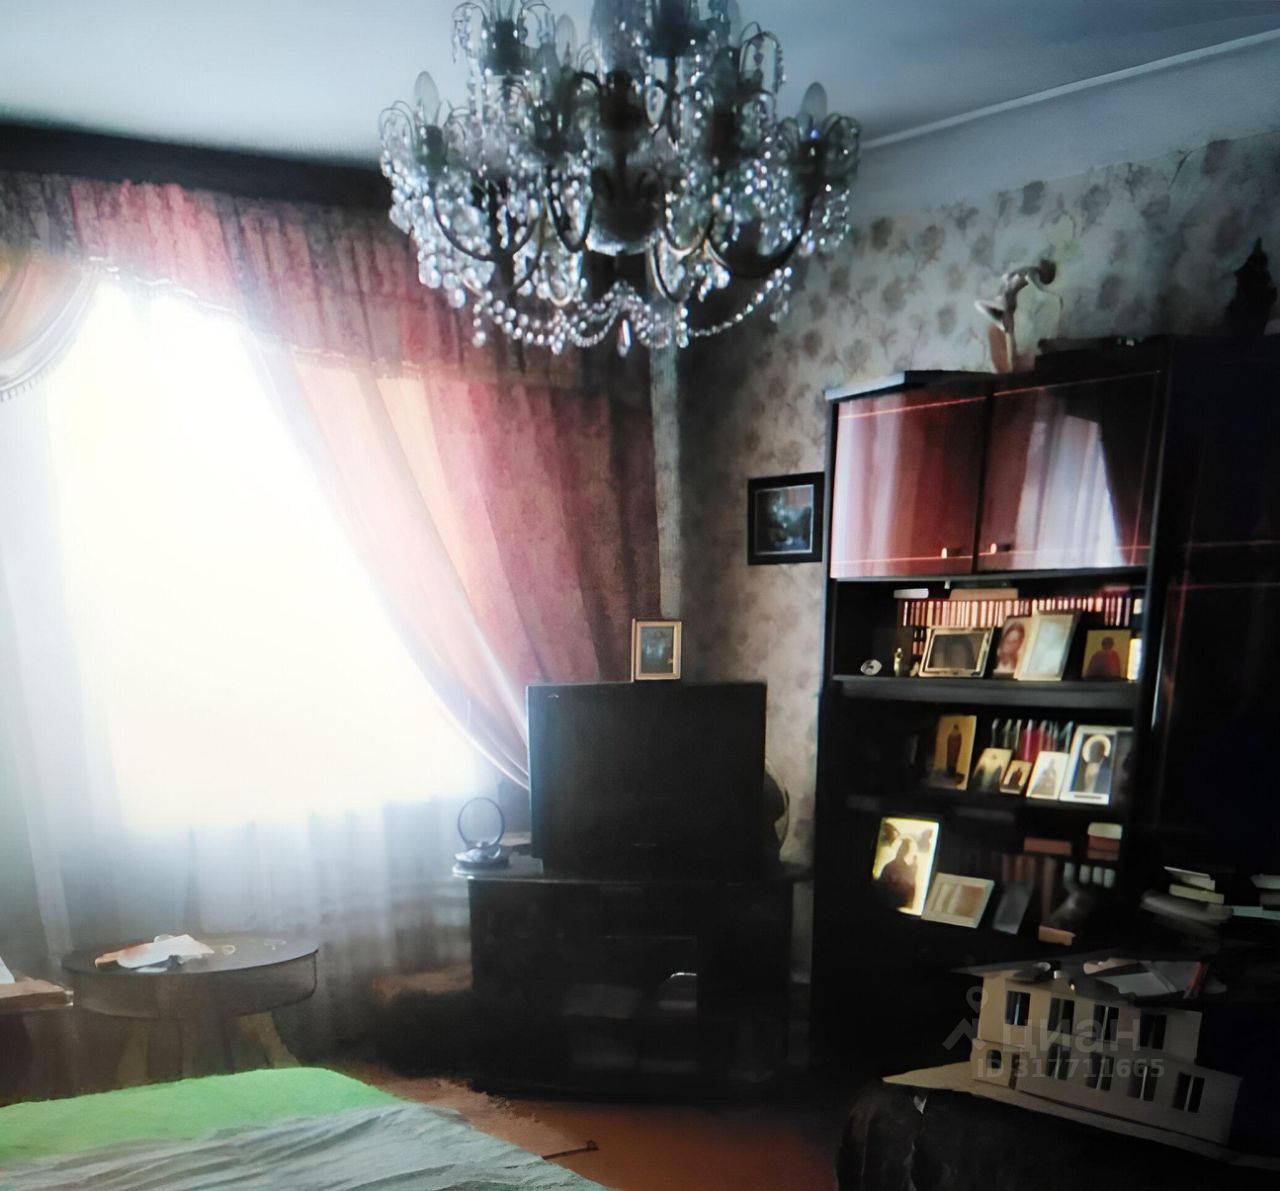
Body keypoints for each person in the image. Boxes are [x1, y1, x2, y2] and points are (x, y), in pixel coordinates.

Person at [876, 838, 918, 909]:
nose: (900, 851)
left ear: (906, 852)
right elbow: (880, 888)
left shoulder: (907, 871)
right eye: (900, 849)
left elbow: (909, 897)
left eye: (903, 849)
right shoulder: (889, 867)